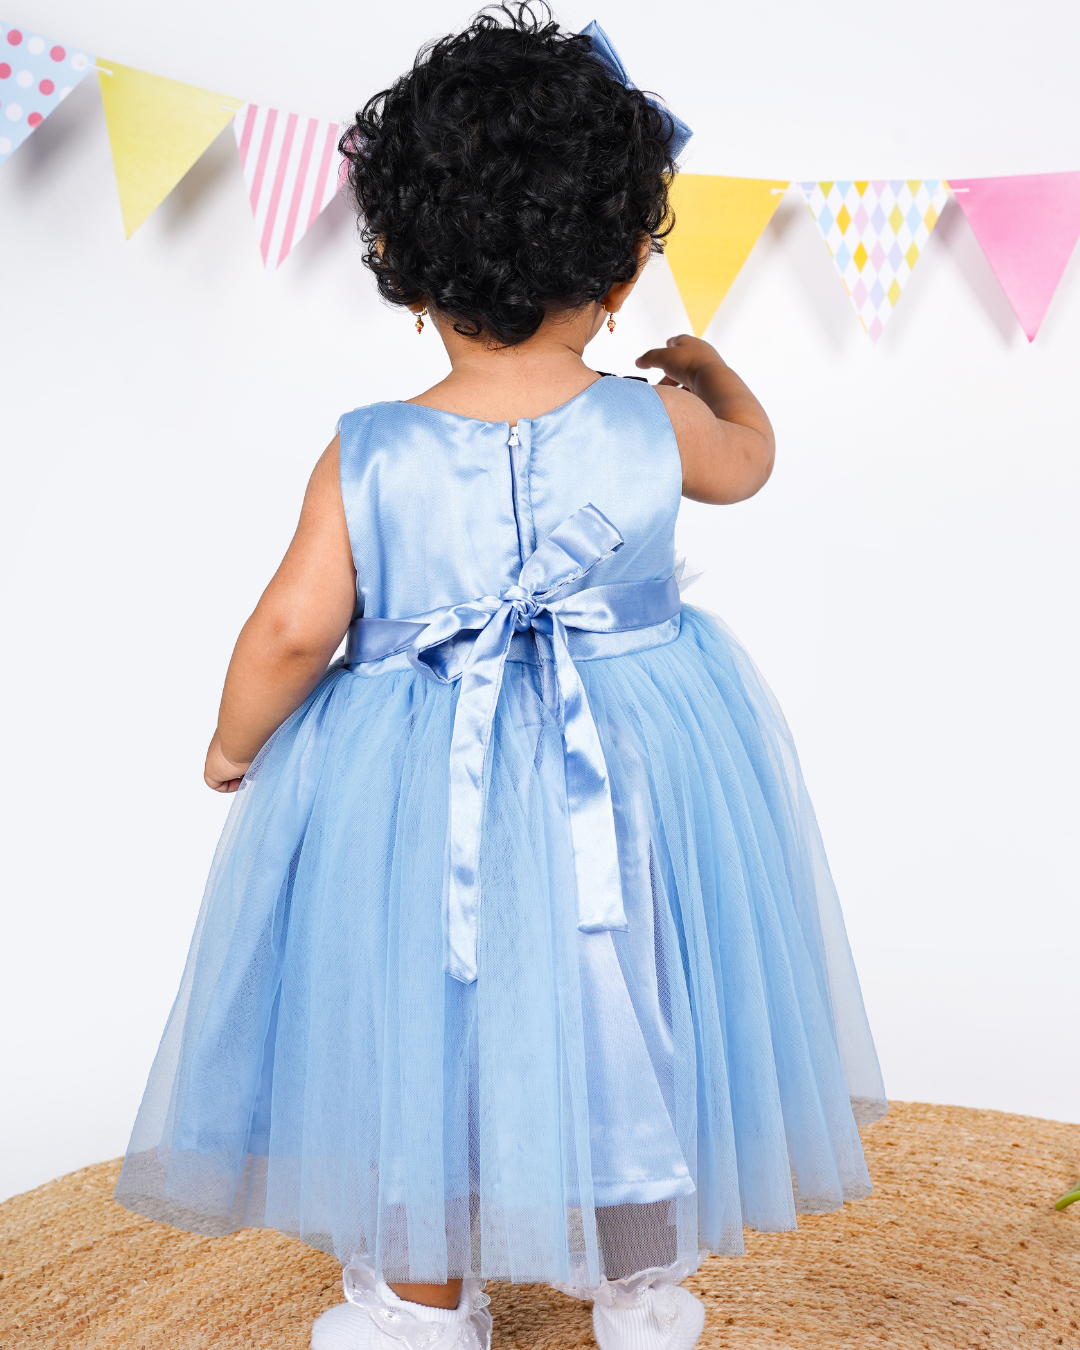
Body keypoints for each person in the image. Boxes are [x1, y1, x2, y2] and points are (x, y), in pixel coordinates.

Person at [114, 7, 888, 1349]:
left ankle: (420, 1302)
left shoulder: (370, 449)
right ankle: (641, 1284)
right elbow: (750, 463)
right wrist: (713, 373)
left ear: (407, 270)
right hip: (637, 756)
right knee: (631, 994)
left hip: (419, 774)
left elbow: (293, 629)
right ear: (627, 268)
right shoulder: (655, 422)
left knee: (426, 1017)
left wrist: (237, 740)